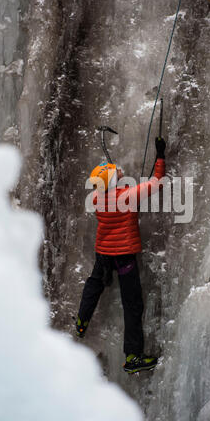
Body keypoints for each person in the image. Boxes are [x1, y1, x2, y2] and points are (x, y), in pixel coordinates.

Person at [76, 137, 166, 373]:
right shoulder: (129, 196)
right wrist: (160, 155)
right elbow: (157, 183)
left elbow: (108, 187)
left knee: (95, 284)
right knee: (132, 304)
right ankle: (133, 357)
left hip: (104, 253)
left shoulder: (96, 198)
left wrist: (112, 174)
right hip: (124, 256)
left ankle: (81, 321)